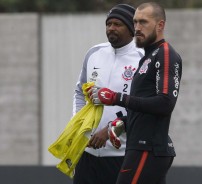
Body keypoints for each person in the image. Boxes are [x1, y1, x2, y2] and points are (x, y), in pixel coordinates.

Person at [88, 2, 182, 184]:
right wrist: (122, 123)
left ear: (160, 25)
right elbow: (145, 104)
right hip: (139, 147)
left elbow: (165, 103)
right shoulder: (147, 57)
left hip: (147, 148)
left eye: (143, 22)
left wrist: (117, 97)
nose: (137, 28)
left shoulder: (165, 54)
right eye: (135, 22)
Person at [72, 4, 144, 184]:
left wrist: (112, 130)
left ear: (131, 29)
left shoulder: (143, 58)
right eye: (108, 23)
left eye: (117, 24)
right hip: (87, 154)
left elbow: (144, 106)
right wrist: (80, 125)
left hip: (122, 155)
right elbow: (80, 92)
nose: (111, 28)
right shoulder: (95, 52)